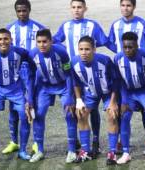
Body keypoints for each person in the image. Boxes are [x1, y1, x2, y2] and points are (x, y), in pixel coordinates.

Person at [53, 0, 109, 154]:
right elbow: (54, 40)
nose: (76, 10)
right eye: (73, 7)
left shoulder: (93, 25)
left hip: (89, 72)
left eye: (79, 7)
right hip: (73, 73)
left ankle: (95, 139)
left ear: (85, 8)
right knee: (73, 107)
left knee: (93, 107)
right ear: (70, 9)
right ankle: (77, 140)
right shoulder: (65, 25)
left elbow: (105, 41)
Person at [0, 28, 33, 166]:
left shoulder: (21, 52)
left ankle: (22, 150)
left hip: (16, 90)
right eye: (0, 39)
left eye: (6, 39)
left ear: (11, 40)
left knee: (24, 116)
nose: (3, 41)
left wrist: (28, 83)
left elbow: (33, 63)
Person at [108, 0, 145, 155]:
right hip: (124, 69)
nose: (125, 8)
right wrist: (121, 54)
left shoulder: (143, 23)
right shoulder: (115, 25)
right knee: (123, 111)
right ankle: (122, 142)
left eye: (128, 5)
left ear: (134, 7)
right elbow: (110, 43)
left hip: (141, 66)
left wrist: (143, 52)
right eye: (123, 5)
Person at [2, 0, 46, 154]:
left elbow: (45, 47)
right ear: (16, 11)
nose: (22, 13)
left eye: (24, 10)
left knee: (34, 105)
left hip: (34, 71)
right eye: (19, 11)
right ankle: (14, 141)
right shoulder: (9, 29)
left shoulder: (38, 28)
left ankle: (36, 142)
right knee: (14, 107)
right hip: (16, 72)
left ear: (29, 10)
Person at [28, 29, 76, 163]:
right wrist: (30, 98)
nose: (42, 45)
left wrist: (70, 96)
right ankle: (40, 150)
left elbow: (68, 74)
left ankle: (72, 150)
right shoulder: (32, 54)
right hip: (45, 87)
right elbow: (31, 77)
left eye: (45, 42)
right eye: (39, 42)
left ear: (51, 41)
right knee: (38, 114)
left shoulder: (61, 52)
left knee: (69, 113)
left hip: (63, 86)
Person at [71, 36, 119, 165]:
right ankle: (85, 151)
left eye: (87, 49)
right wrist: (79, 100)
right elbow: (75, 82)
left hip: (108, 93)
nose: (84, 52)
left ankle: (112, 153)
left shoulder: (105, 61)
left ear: (94, 49)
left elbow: (115, 81)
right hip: (91, 93)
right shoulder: (74, 62)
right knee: (80, 113)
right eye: (81, 49)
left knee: (112, 115)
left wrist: (113, 102)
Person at [113, 32, 145, 165]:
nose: (127, 50)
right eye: (125, 47)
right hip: (129, 93)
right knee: (125, 116)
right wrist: (124, 101)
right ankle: (126, 153)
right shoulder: (118, 59)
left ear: (137, 45)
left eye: (131, 47)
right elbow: (120, 81)